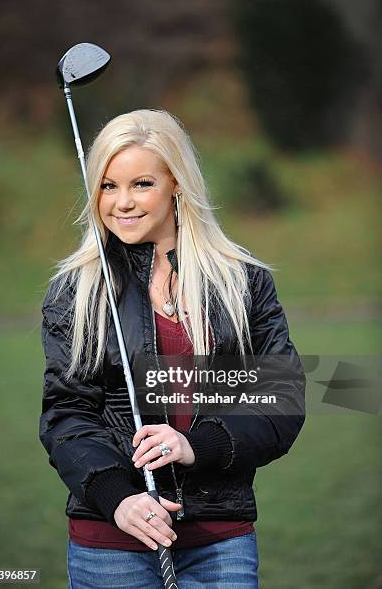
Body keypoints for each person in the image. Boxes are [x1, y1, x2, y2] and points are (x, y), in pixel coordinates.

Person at [39, 109, 306, 588]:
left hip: (220, 540)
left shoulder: (242, 282)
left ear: (177, 185)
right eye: (107, 186)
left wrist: (193, 446)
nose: (121, 203)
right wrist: (118, 497)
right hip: (112, 543)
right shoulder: (73, 293)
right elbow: (67, 416)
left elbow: (281, 401)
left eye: (141, 183)